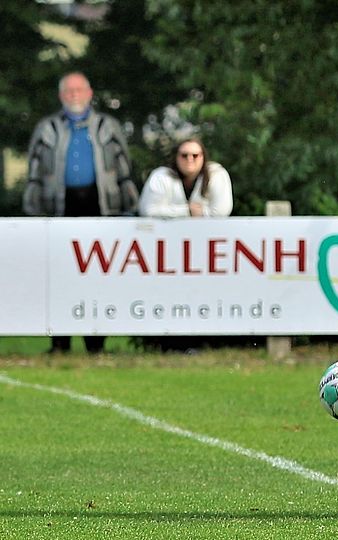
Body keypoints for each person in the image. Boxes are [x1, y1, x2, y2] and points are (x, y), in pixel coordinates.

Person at [23, 71, 138, 354]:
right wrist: (34, 210)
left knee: (97, 275)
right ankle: (59, 344)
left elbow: (124, 168)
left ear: (89, 94)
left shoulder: (107, 126)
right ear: (61, 96)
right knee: (59, 276)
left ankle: (96, 344)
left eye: (79, 90)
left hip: (100, 208)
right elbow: (34, 171)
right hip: (59, 209)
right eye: (69, 91)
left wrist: (129, 206)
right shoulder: (48, 128)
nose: (74, 95)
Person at [139, 138, 233, 217]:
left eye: (195, 155)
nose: (189, 159)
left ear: (202, 157)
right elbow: (148, 211)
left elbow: (222, 211)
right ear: (176, 157)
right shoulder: (161, 176)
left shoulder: (216, 174)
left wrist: (203, 212)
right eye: (184, 155)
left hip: (207, 231)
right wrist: (186, 211)